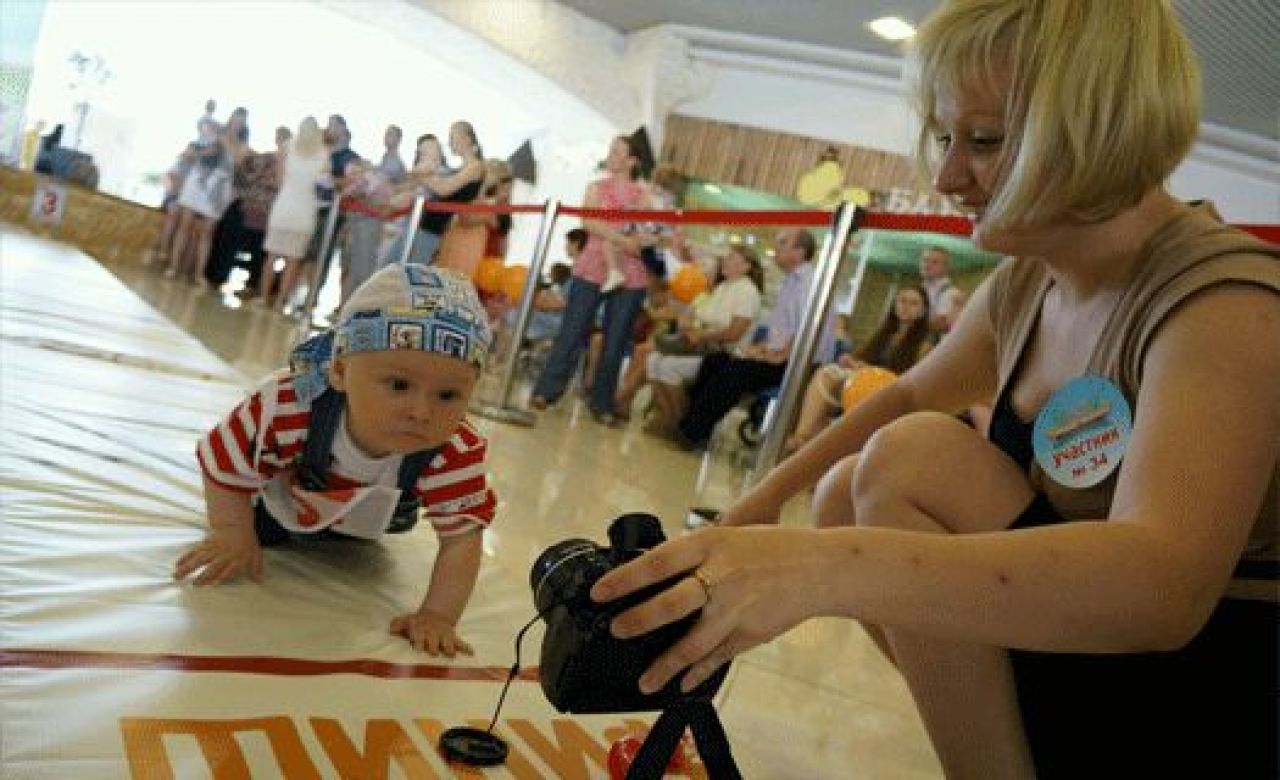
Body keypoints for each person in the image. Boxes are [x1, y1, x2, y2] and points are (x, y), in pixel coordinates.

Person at [590, 2, 1280, 777]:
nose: (949, 174)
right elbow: (903, 396)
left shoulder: (1226, 304)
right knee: (850, 485)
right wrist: (747, 522)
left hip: (1203, 714)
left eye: (984, 141)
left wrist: (819, 570)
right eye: (946, 137)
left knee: (907, 464)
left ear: (1102, 126)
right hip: (1084, 672)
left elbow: (1163, 589)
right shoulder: (1029, 286)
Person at [174, 264, 496, 657]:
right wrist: (231, 531)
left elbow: (462, 536)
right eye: (399, 385)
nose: (421, 412)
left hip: (370, 524)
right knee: (262, 525)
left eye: (448, 395)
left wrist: (439, 615)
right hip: (279, 501)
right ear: (340, 370)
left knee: (360, 551)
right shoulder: (288, 404)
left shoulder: (454, 450)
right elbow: (225, 460)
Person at [529, 135, 657, 425]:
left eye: (617, 151)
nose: (610, 154)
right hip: (591, 267)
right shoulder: (595, 188)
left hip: (630, 276)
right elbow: (588, 221)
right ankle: (546, 392)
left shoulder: (644, 195)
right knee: (572, 331)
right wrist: (621, 239)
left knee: (615, 341)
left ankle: (602, 403)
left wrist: (628, 241)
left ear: (633, 160)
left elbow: (651, 232)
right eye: (611, 149)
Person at [672, 228, 836, 450]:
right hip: (782, 356)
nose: (776, 249)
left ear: (799, 252)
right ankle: (694, 429)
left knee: (736, 372)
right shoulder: (792, 281)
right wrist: (762, 349)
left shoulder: (808, 283)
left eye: (782, 243)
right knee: (715, 362)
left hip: (800, 364)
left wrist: (781, 355)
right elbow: (783, 330)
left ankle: (692, 433)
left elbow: (810, 328)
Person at [617, 245, 764, 434]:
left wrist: (700, 334)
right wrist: (690, 326)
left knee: (666, 366)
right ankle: (670, 416)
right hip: (701, 345)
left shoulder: (748, 292)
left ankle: (675, 419)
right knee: (654, 360)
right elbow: (695, 315)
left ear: (746, 267)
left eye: (732, 258)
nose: (725, 261)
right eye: (726, 257)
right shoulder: (723, 288)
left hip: (722, 354)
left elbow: (734, 334)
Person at [784, 283, 932, 454]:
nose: (905, 306)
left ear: (923, 311)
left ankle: (803, 437)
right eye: (902, 301)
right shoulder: (884, 335)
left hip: (887, 395)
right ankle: (805, 437)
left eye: (913, 303)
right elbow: (863, 359)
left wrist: (867, 369)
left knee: (828, 378)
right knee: (825, 373)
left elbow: (910, 381)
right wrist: (851, 362)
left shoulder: (923, 346)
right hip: (862, 386)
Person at [261, 117, 328, 311]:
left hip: (284, 206)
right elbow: (322, 187)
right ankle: (281, 301)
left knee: (271, 258)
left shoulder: (287, 147)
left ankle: (263, 297)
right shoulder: (323, 154)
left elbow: (279, 179)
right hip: (305, 211)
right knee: (293, 261)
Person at [918, 245, 965, 338]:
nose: (927, 265)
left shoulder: (952, 293)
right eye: (925, 260)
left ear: (946, 268)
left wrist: (910, 324)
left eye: (935, 262)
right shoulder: (920, 288)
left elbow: (942, 324)